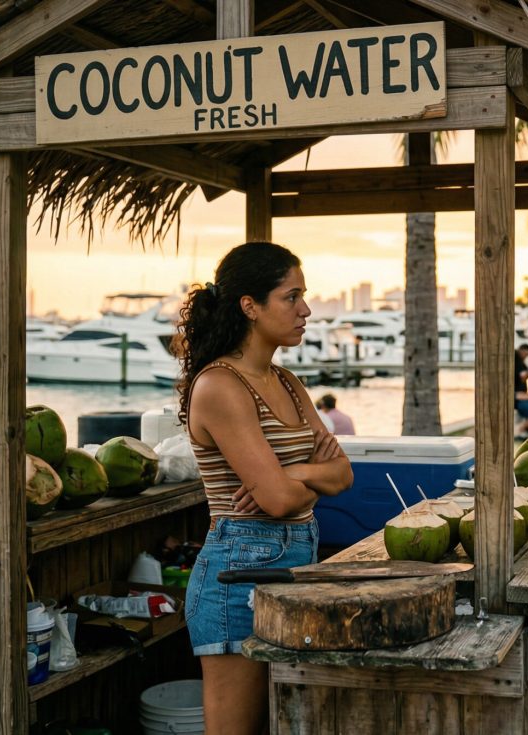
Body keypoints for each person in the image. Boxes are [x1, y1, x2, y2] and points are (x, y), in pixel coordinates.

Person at [176, 242, 354, 735]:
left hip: (296, 568)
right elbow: (275, 501)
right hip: (236, 576)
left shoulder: (289, 382)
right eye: (290, 297)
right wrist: (296, 480)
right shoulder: (219, 386)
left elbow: (344, 475)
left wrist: (292, 475)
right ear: (249, 307)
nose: (306, 309)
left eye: (303, 296)